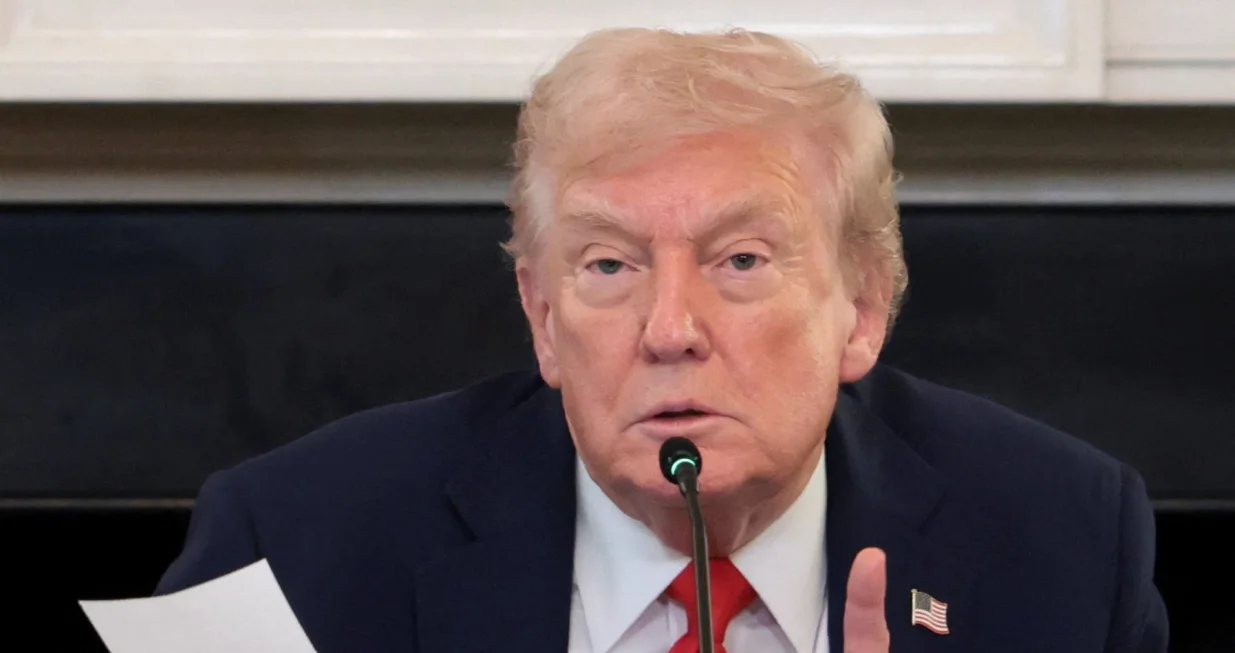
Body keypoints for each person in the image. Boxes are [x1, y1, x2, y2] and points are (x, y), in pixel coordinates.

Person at [156, 28, 1168, 653]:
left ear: (859, 307)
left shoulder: (1057, 545)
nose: (670, 329)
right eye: (607, 265)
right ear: (542, 319)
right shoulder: (293, 549)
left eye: (739, 261)